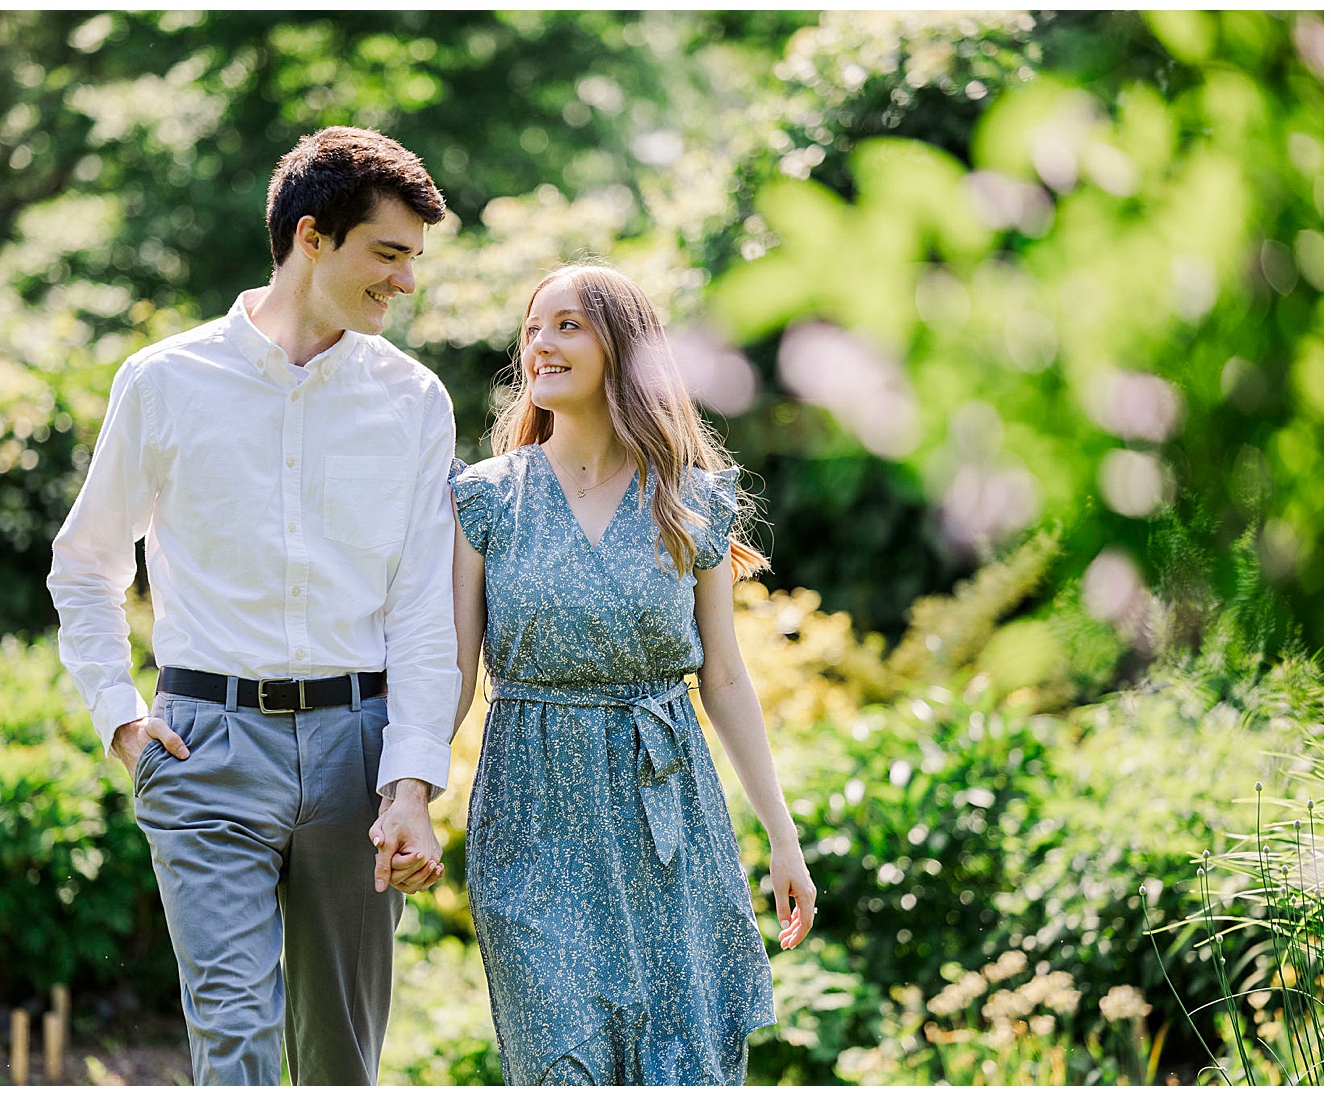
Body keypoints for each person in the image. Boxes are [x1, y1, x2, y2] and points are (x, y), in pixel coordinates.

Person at [47, 127, 459, 1084]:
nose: (404, 282)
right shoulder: (165, 382)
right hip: (205, 749)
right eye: (387, 254)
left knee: (340, 1059)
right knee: (231, 1040)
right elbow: (88, 562)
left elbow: (422, 613)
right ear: (311, 238)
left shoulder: (413, 401)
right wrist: (120, 717)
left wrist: (409, 782)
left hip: (360, 752)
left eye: (412, 260)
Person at [448, 263, 815, 1083]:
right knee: (560, 1059)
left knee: (678, 1062)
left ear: (624, 346)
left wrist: (782, 841)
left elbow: (723, 678)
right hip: (532, 822)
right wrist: (406, 794)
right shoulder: (485, 500)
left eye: (568, 324)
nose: (540, 343)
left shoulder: (689, 501)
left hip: (669, 824)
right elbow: (455, 676)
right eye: (533, 328)